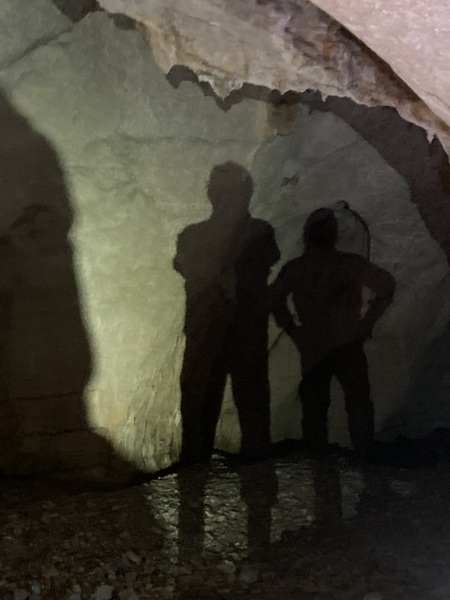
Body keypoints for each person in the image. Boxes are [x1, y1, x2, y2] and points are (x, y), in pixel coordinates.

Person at [174, 162, 280, 463]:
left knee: (218, 406)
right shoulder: (254, 232)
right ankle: (247, 478)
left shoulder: (199, 236)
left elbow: (188, 264)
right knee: (221, 406)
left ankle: (201, 475)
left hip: (222, 332)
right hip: (226, 332)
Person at [271, 207, 395, 456]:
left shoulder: (299, 268)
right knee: (355, 402)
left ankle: (319, 459)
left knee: (316, 405)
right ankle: (362, 452)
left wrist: (294, 331)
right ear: (334, 236)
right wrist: (366, 323)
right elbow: (386, 285)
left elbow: (274, 299)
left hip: (316, 344)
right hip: (344, 342)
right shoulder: (348, 264)